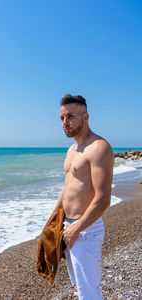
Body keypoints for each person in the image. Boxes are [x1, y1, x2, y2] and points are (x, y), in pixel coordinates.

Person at [55, 94, 114, 300]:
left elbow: (103, 198)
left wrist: (76, 229)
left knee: (89, 293)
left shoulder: (99, 147)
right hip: (68, 226)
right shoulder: (72, 149)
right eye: (62, 118)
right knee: (80, 287)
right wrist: (55, 221)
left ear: (86, 116)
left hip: (86, 229)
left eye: (70, 116)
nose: (65, 122)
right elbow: (67, 188)